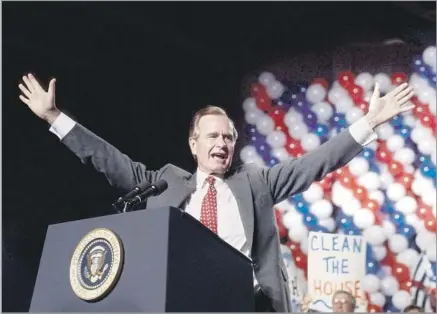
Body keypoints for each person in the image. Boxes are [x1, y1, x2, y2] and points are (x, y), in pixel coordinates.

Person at [18, 73, 415, 312]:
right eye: (212, 136)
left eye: (228, 137)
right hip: (180, 303)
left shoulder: (256, 182)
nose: (222, 143)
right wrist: (55, 117)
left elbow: (314, 163)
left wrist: (368, 122)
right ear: (194, 144)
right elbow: (108, 159)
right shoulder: (164, 182)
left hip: (246, 305)